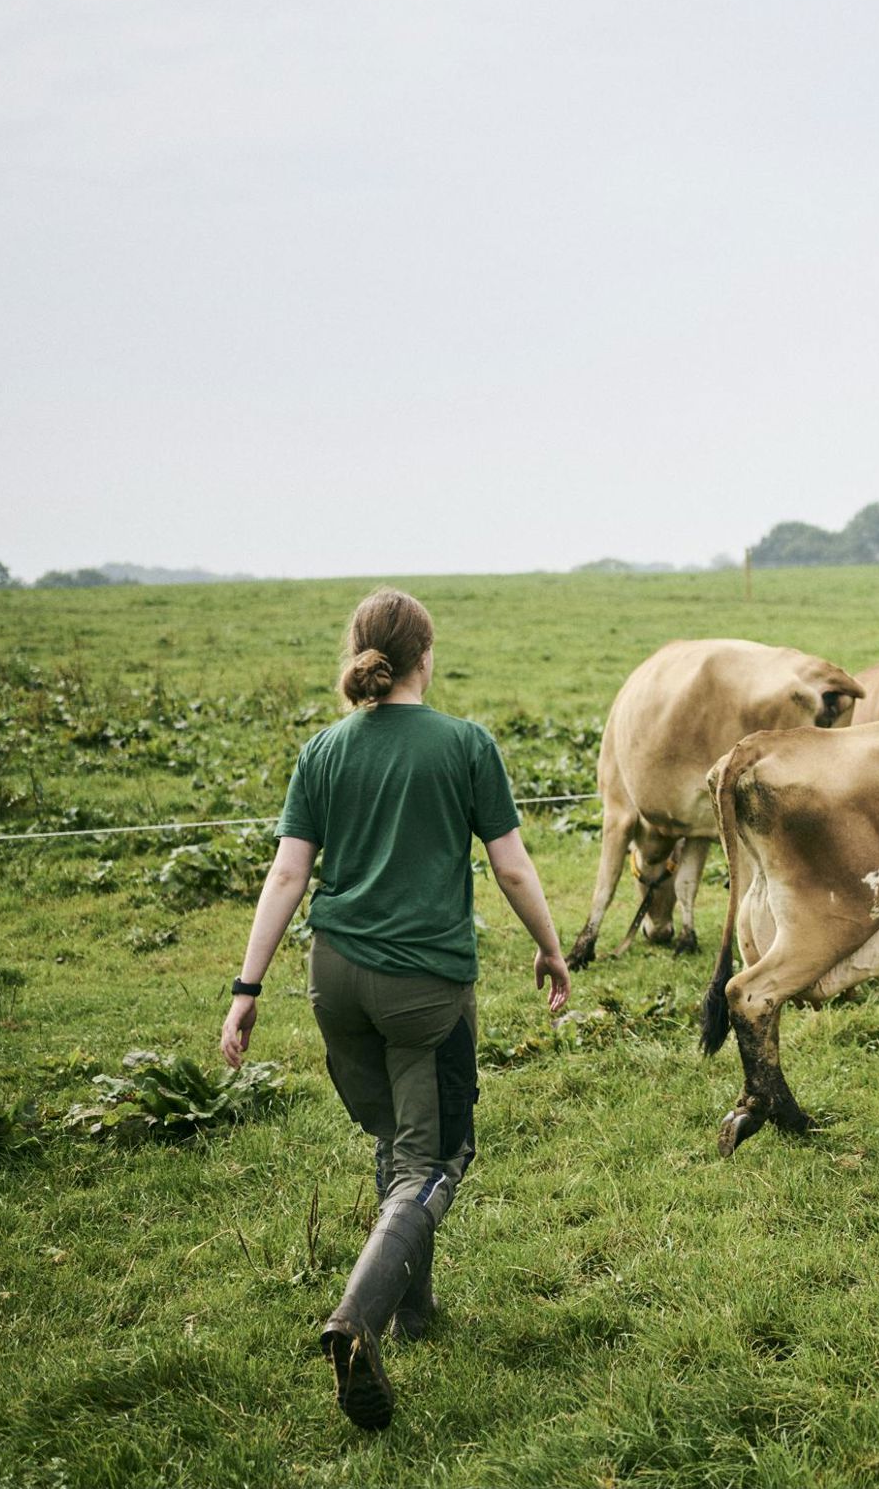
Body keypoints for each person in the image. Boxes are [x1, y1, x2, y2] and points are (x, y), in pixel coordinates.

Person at [219, 587, 570, 1430]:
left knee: (397, 1140)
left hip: (333, 979)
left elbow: (286, 876)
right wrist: (554, 950)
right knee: (438, 1157)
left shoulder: (324, 750)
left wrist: (246, 989)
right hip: (425, 990)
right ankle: (358, 1321)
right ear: (426, 657)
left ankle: (415, 1312)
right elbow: (514, 870)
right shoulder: (465, 744)